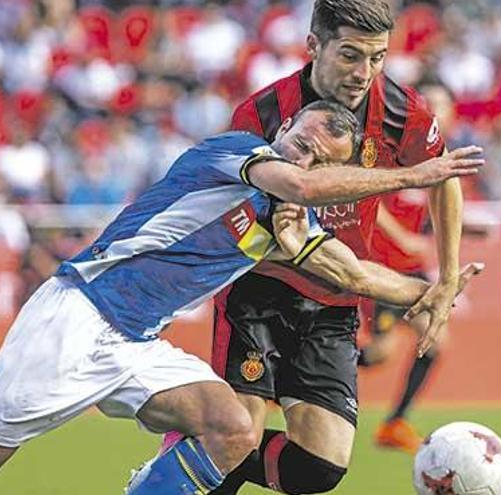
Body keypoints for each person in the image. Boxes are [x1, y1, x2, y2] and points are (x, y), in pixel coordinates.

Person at [0, 101, 481, 495]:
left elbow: (351, 272)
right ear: (283, 130)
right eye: (303, 143)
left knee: (230, 427)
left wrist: (431, 293)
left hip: (135, 343)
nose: (307, 158)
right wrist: (412, 175)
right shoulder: (233, 154)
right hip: (79, 317)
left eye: (323, 159)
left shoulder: (285, 222)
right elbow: (296, 181)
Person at [160, 1, 474, 493]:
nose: (364, 72)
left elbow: (444, 178)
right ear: (314, 46)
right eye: (350, 55)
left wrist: (450, 274)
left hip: (333, 304)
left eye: (377, 58)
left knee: (320, 469)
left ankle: (197, 442)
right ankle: (209, 448)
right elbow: (231, 214)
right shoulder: (262, 112)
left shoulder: (401, 110)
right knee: (237, 432)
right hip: (258, 293)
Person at [362, 195, 483, 454]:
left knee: (436, 342)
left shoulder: (429, 167)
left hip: (413, 270)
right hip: (382, 269)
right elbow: (369, 200)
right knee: (380, 354)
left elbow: (435, 209)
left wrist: (466, 227)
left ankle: (395, 423)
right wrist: (401, 237)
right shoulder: (390, 161)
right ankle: (299, 374)